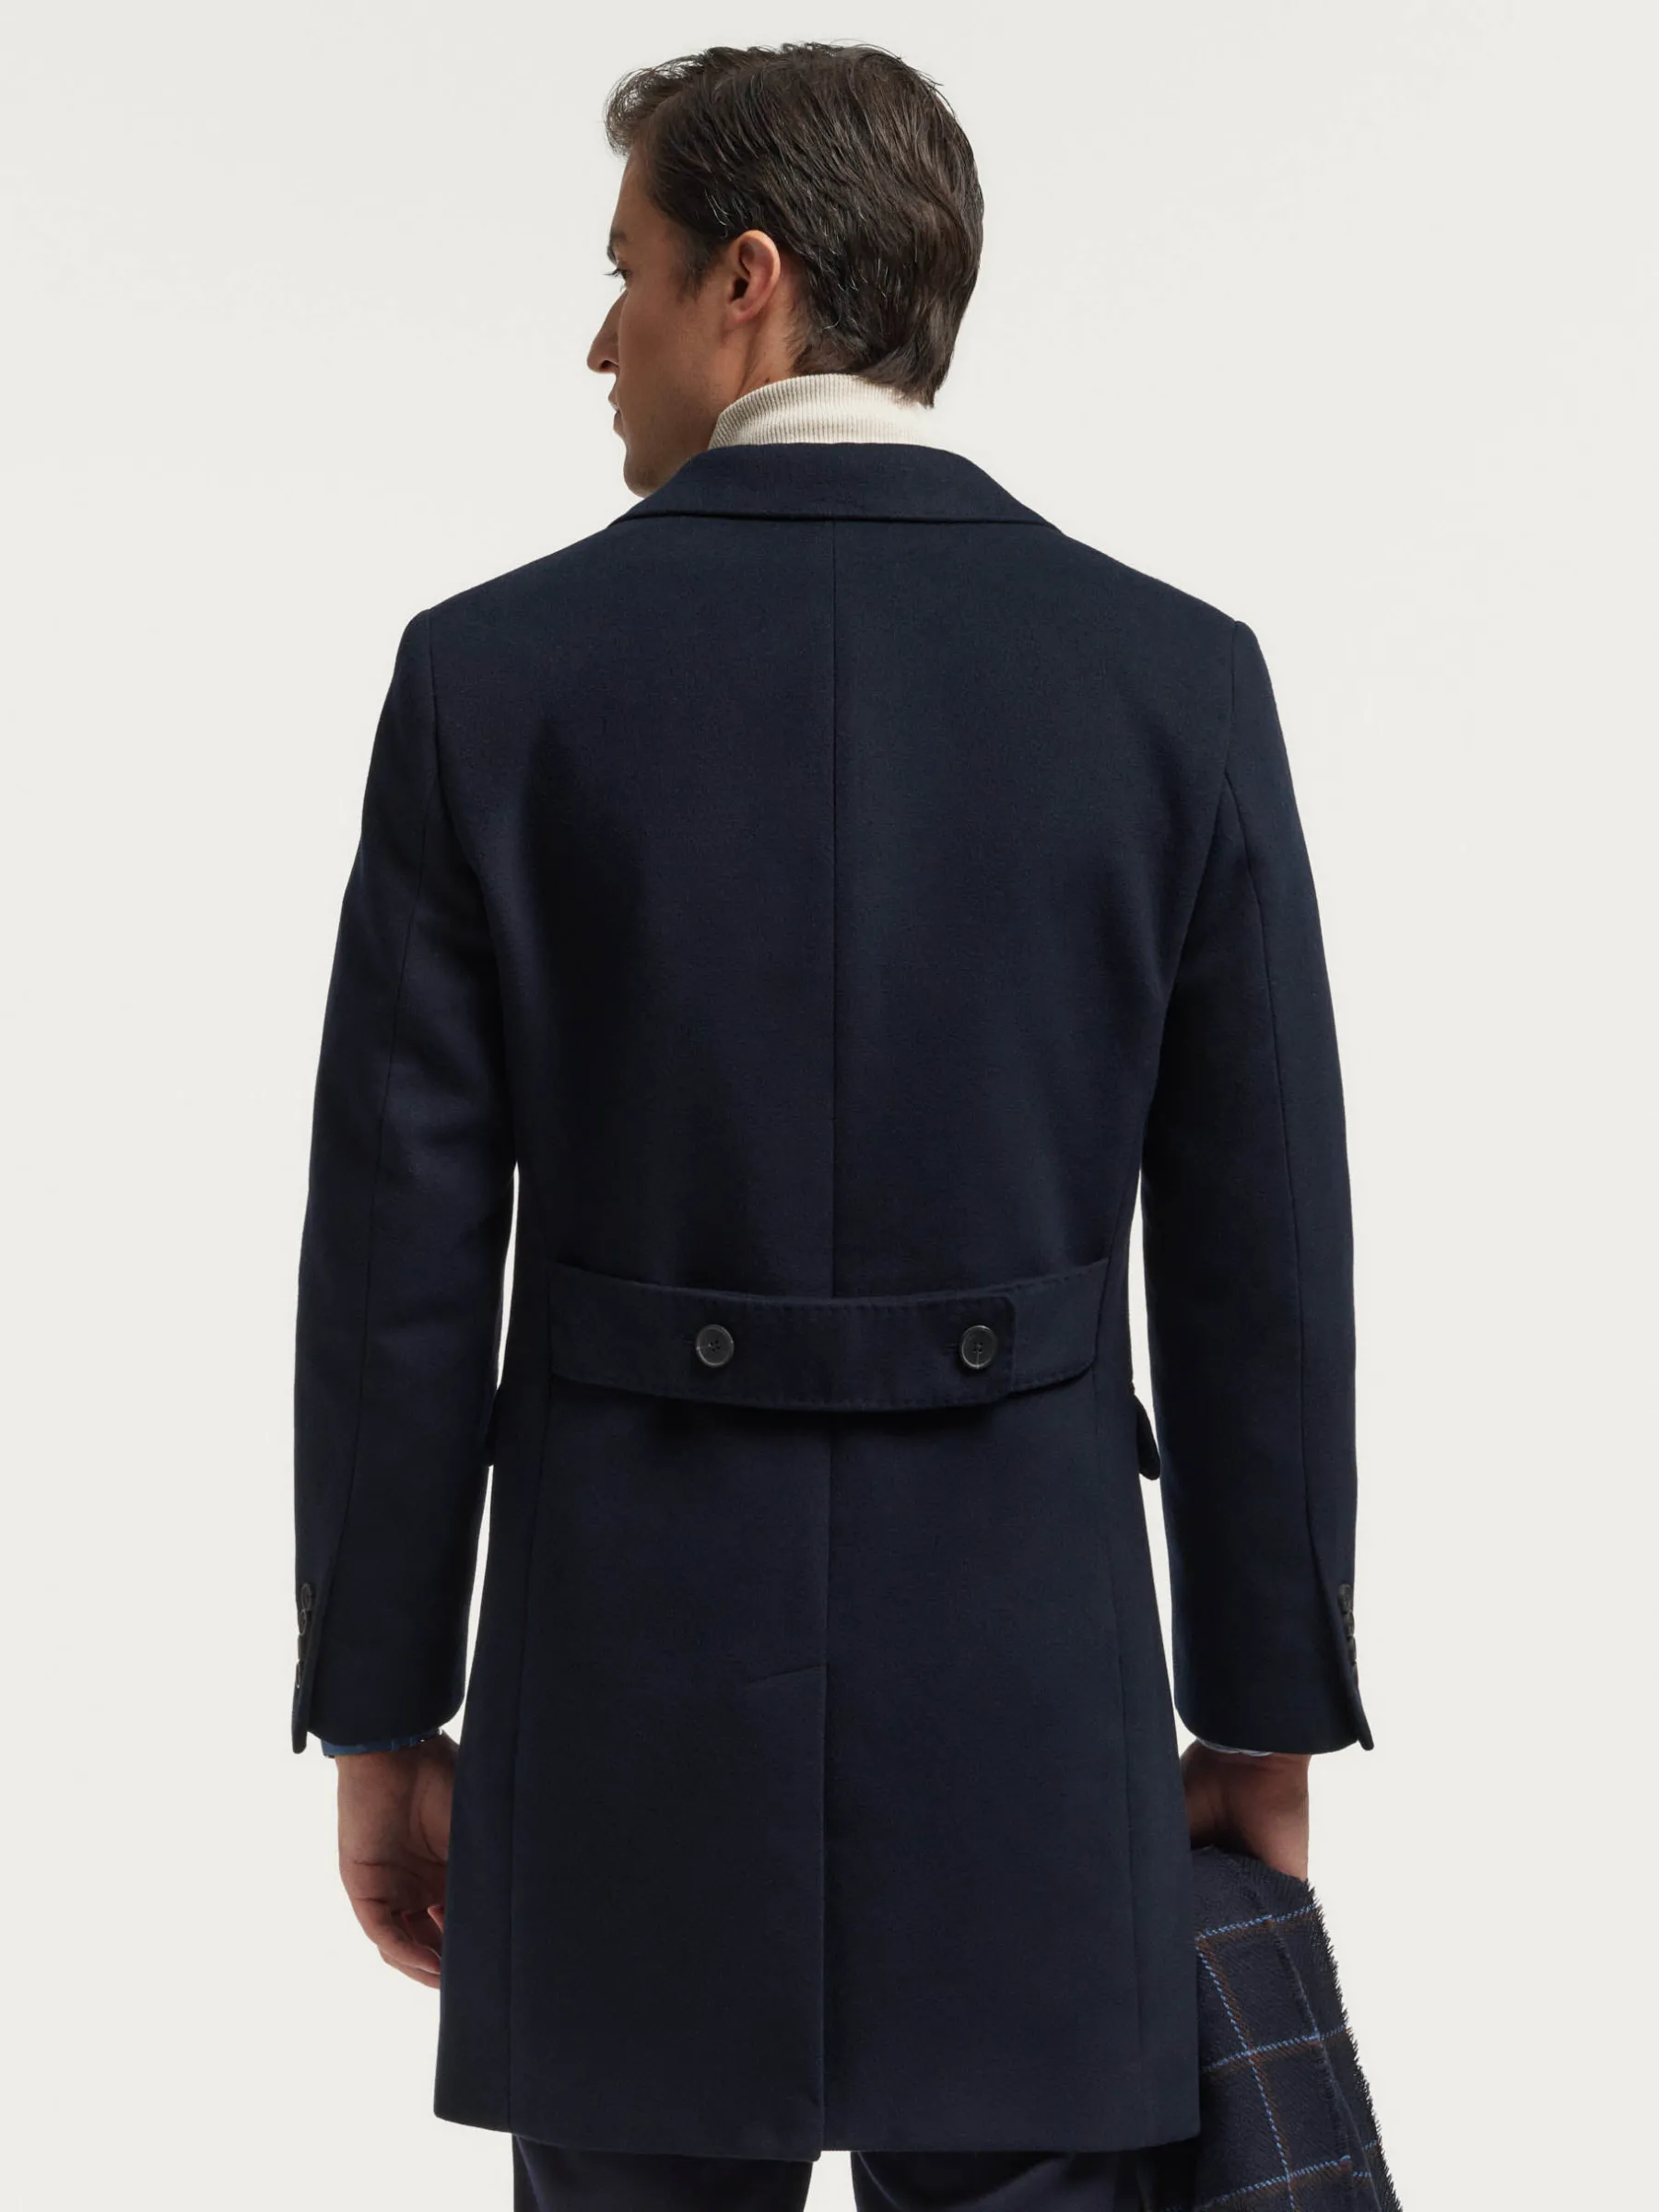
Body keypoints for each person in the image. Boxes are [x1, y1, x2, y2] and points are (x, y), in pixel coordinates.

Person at [291, 41, 1371, 2212]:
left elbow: (399, 1263)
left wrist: (384, 1715)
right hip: (1031, 1708)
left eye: (626, 269)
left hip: (622, 1703)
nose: (601, 337)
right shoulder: (1176, 684)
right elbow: (1260, 1256)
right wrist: (1260, 1720)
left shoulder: (492, 680)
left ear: (749, 283)